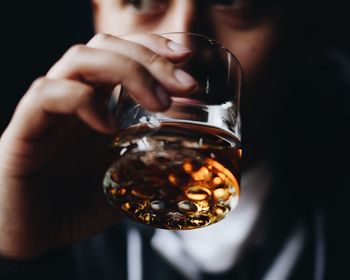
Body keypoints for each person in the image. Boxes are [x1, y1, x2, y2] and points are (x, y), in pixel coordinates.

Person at [0, 0, 349, 279]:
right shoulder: (52, 187)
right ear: (98, 15)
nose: (184, 46)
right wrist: (19, 256)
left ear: (307, 28)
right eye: (141, 2)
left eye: (234, 3)